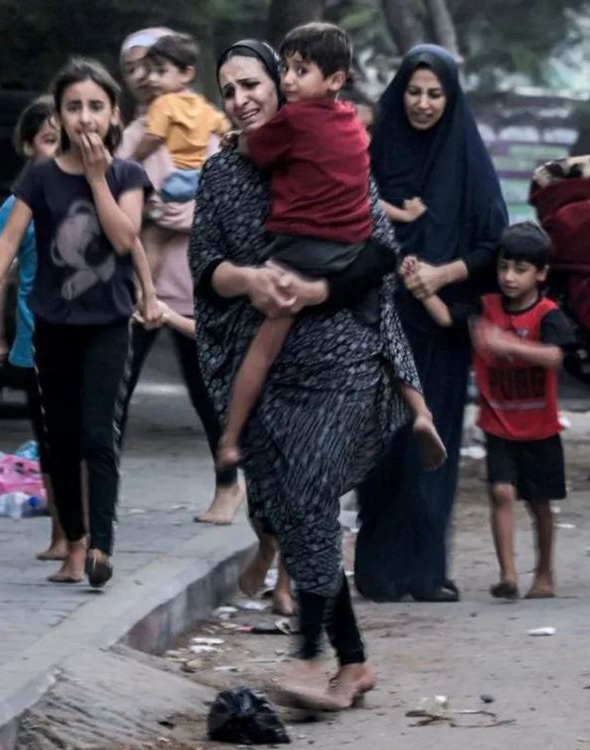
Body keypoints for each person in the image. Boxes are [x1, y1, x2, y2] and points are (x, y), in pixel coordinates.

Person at [193, 39, 422, 710]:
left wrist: (316, 292)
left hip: (340, 358)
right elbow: (205, 269)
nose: (241, 99)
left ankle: (307, 658)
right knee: (301, 512)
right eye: (228, 89)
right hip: (264, 369)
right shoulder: (219, 175)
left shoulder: (334, 148)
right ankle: (352, 665)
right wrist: (249, 278)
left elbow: (382, 252)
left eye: (252, 83)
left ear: (284, 84)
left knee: (308, 498)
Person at [215, 22, 444, 475]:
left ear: (335, 79)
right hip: (353, 245)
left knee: (262, 347)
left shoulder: (294, 120)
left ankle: (229, 438)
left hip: (302, 250)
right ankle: (421, 412)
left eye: (300, 71)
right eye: (285, 69)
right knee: (387, 332)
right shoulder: (352, 123)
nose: (289, 81)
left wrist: (239, 143)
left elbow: (258, 153)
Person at [0, 58, 160, 589]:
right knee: (59, 439)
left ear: (114, 114)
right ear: (59, 116)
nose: (85, 117)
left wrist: (95, 178)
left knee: (96, 434)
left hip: (108, 324)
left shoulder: (128, 175)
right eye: (73, 107)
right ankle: (76, 543)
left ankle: (102, 545)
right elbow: (9, 244)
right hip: (52, 326)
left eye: (95, 106)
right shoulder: (39, 175)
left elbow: (122, 238)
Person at [356, 45, 509, 603]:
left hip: (439, 332)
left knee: (432, 444)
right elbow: (352, 222)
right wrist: (398, 266)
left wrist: (441, 274)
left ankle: (424, 570)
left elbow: (495, 241)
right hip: (378, 324)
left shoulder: (467, 159)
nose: (422, 103)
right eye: (414, 92)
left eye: (435, 93)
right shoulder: (374, 151)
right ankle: (376, 568)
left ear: (451, 97)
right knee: (382, 447)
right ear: (400, 93)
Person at [114, 26, 250, 531]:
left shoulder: (207, 128)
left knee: (207, 392)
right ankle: (101, 496)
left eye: (154, 66)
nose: (145, 77)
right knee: (115, 391)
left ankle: (227, 487)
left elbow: (231, 204)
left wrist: (184, 214)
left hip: (194, 288)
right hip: (135, 288)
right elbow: (106, 188)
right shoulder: (133, 133)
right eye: (134, 69)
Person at [469, 223, 575, 600]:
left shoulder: (548, 314)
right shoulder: (487, 307)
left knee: (539, 503)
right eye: (504, 267)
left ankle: (544, 573)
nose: (509, 278)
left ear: (541, 274)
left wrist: (506, 344)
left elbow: (554, 356)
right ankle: (508, 575)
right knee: (500, 492)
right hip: (498, 424)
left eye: (521, 269)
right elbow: (449, 317)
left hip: (540, 428)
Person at [0, 95, 71, 561]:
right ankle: (62, 531)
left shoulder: (94, 191)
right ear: (26, 147)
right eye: (48, 141)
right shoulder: (24, 202)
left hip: (83, 332)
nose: (59, 150)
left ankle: (80, 531)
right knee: (48, 433)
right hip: (35, 337)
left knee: (79, 433)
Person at [126, 32, 229, 204]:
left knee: (152, 220)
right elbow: (224, 128)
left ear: (187, 74)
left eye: (160, 71)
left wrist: (133, 159)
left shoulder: (163, 104)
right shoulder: (204, 106)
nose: (151, 78)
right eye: (150, 71)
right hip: (199, 179)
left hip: (173, 180)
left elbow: (153, 137)